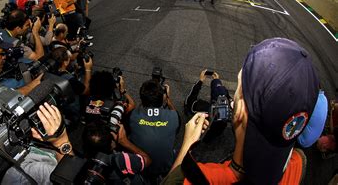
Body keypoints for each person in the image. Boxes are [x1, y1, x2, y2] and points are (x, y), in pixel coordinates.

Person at [163, 38, 326, 184]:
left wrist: (187, 145)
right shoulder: (297, 164)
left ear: (239, 108)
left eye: (240, 86)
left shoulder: (198, 178)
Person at [129, 80, 180, 182]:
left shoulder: (133, 115)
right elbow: (176, 119)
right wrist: (168, 99)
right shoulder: (174, 116)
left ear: (142, 99)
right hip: (165, 167)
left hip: (141, 165)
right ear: (163, 98)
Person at [82, 121, 152, 184]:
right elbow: (148, 160)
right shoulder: (122, 160)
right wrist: (125, 142)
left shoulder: (86, 165)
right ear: (112, 144)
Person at [183, 70, 231, 142]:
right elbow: (222, 93)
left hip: (203, 126)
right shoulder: (230, 107)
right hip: (218, 128)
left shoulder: (202, 108)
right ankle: (208, 139)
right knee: (213, 133)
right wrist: (216, 81)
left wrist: (200, 81)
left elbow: (189, 101)